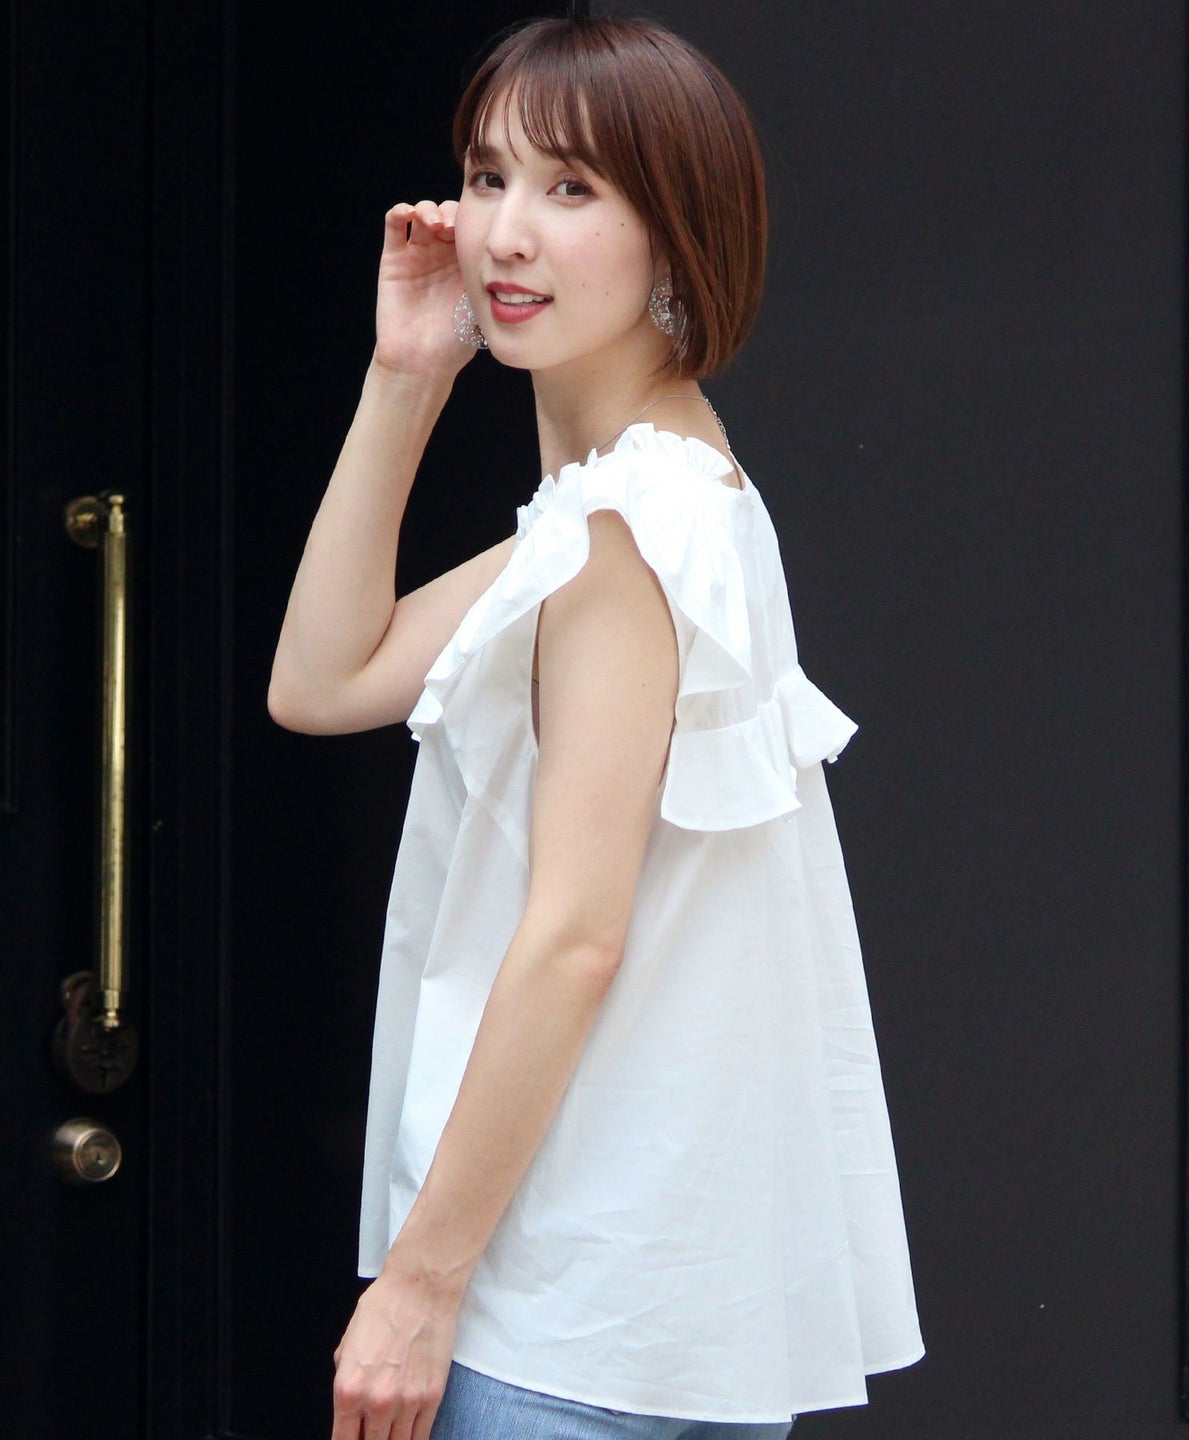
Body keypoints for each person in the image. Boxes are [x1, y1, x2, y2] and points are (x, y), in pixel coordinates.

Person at [269, 14, 923, 1440]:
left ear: (677, 233)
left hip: (566, 1327)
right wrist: (407, 375)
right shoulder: (651, 495)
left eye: (572, 189)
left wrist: (418, 1286)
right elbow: (321, 681)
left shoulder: (626, 530)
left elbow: (576, 933)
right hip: (642, 1314)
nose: (505, 233)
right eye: (487, 175)